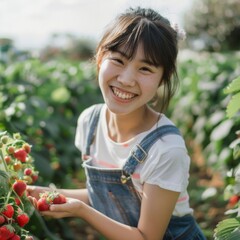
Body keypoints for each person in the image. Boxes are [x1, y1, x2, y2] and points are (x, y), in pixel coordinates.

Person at [27, 7, 206, 240]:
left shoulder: (165, 149)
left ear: (164, 78)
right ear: (100, 58)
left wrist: (81, 211)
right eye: (118, 60)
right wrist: (45, 194)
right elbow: (105, 195)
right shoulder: (89, 123)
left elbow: (147, 237)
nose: (126, 80)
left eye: (145, 68)